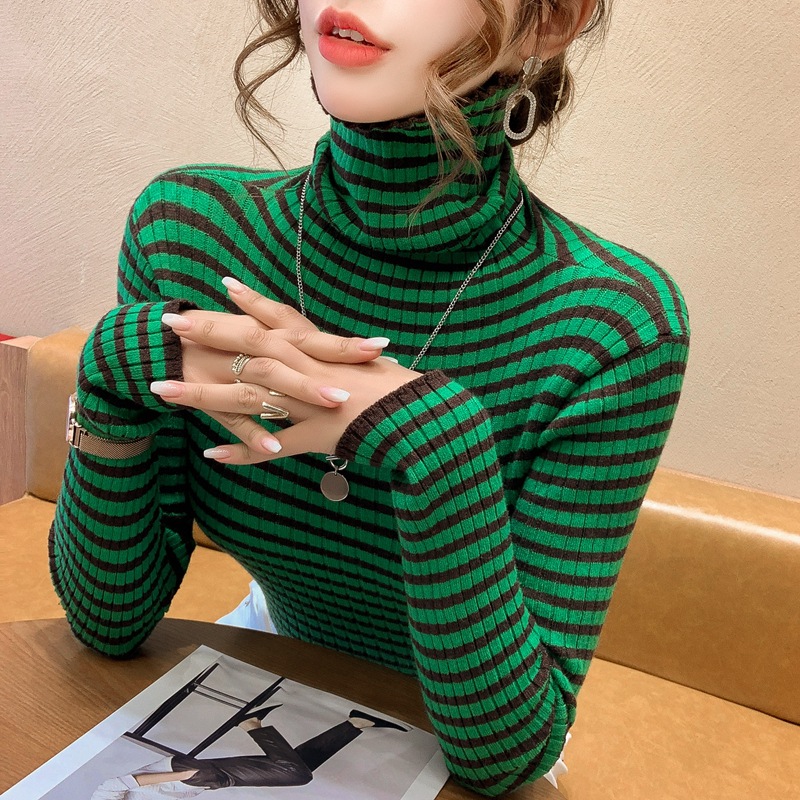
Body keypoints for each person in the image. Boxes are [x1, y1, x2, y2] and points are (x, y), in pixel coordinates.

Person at [50, 0, 690, 795]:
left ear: (550, 20)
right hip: (265, 660)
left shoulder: (614, 326)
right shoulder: (187, 232)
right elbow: (107, 621)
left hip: (469, 724)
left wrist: (440, 451)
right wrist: (108, 378)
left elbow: (505, 757)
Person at [90, 707, 407, 798]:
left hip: (190, 776)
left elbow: (114, 784)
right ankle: (356, 724)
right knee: (293, 765)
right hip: (201, 783)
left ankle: (251, 724)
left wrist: (185, 776)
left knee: (296, 775)